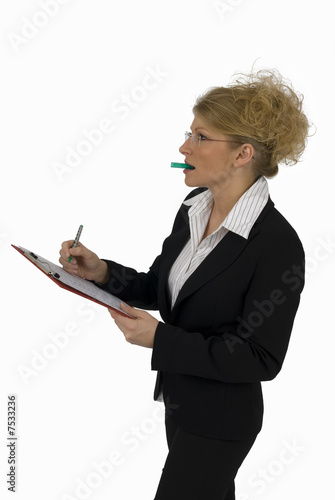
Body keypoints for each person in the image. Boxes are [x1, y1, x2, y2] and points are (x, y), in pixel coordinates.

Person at [59, 69, 310, 500]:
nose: (183, 147)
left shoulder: (277, 246)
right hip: (181, 404)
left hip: (222, 421)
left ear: (242, 154)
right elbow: (163, 286)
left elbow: (260, 358)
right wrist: (101, 272)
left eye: (200, 137)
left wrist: (161, 339)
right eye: (188, 133)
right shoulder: (194, 206)